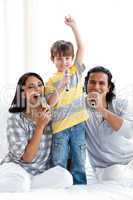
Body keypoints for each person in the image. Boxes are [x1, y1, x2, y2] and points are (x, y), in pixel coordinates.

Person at [0, 72, 73, 192]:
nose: (37, 89)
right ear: (22, 94)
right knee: (20, 184)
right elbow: (27, 158)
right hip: (17, 168)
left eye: (40, 85)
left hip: (38, 173)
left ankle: (26, 185)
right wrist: (40, 126)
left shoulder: (50, 112)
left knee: (66, 178)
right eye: (31, 87)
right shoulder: (16, 119)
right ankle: (19, 183)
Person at [45, 16, 88, 184]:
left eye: (67, 58)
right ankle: (58, 187)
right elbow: (51, 103)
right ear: (53, 60)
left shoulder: (76, 70)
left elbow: (82, 47)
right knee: (59, 160)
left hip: (78, 124)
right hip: (60, 127)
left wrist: (74, 26)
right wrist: (61, 85)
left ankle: (79, 187)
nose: (64, 62)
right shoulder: (50, 82)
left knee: (79, 159)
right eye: (60, 59)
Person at [84, 66, 133, 181]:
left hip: (130, 160)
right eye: (92, 82)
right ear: (86, 85)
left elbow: (129, 132)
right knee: (115, 174)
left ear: (108, 87)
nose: (96, 87)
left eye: (101, 83)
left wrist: (100, 109)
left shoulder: (121, 105)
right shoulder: (80, 108)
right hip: (106, 168)